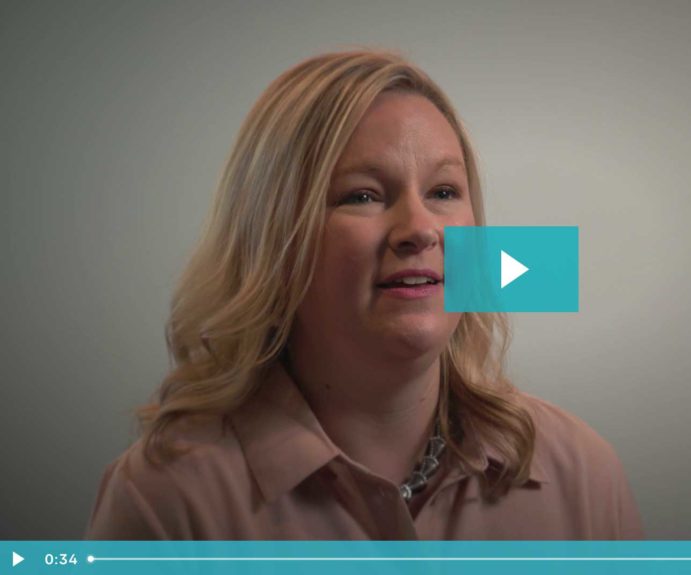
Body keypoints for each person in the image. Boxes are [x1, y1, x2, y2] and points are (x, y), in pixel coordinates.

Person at [86, 50, 643, 540]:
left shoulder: (582, 473)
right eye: (363, 196)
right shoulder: (165, 499)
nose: (420, 229)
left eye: (443, 191)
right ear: (275, 242)